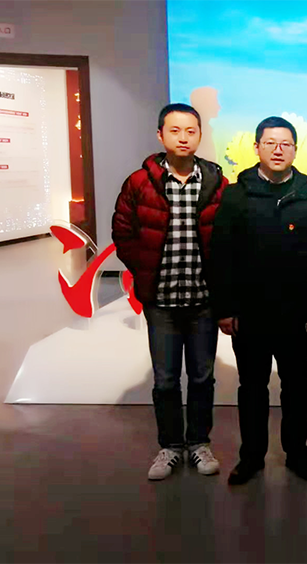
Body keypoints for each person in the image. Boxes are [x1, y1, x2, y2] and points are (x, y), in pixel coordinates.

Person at [208, 116, 307, 485]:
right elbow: (221, 255)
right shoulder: (236, 195)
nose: (278, 150)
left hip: (296, 312)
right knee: (252, 388)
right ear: (257, 147)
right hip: (250, 312)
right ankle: (251, 457)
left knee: (297, 387)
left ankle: (297, 454)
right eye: (270, 143)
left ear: (295, 149)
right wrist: (225, 308)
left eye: (285, 144)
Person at [112, 103, 229, 481]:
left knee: (202, 378)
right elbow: (123, 231)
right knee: (165, 380)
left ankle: (199, 443)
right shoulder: (139, 182)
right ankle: (170, 446)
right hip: (160, 301)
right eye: (175, 130)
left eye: (191, 131)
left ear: (200, 135)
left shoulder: (216, 182)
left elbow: (228, 236)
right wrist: (145, 268)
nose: (183, 138)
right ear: (160, 135)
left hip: (203, 300)